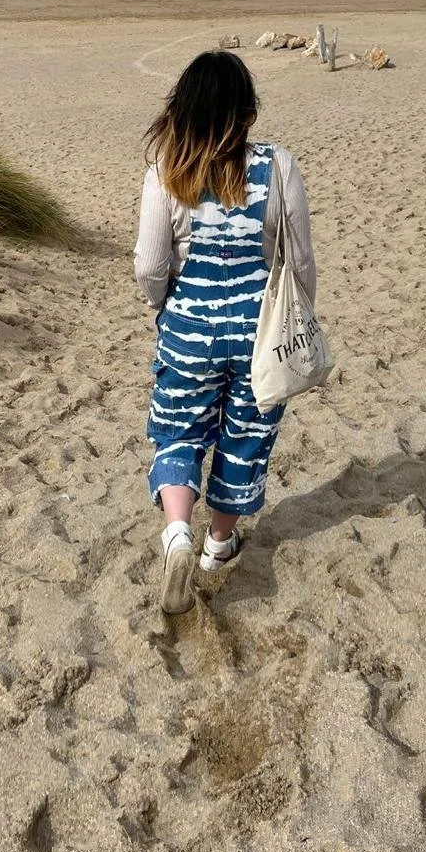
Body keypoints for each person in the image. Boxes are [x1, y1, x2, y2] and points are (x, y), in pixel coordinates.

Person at [135, 50, 316, 614]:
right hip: (258, 328)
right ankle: (218, 547)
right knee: (245, 436)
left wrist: (166, 307)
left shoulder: (167, 169)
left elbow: (148, 264)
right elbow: (301, 259)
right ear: (246, 110)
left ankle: (178, 534)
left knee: (179, 431)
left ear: (182, 107)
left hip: (189, 324)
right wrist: (300, 312)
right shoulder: (276, 165)